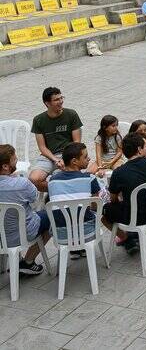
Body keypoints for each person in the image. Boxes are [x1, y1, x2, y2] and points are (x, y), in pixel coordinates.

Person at [102, 133, 146, 255]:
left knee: (106, 212)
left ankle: (126, 238)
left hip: (134, 217)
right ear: (139, 149)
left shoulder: (119, 172)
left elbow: (113, 199)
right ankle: (133, 236)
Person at [0, 144, 51, 275]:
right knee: (51, 217)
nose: (17, 160)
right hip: (21, 234)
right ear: (5, 166)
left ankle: (4, 263)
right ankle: (28, 262)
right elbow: (35, 200)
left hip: (2, 236)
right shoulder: (21, 183)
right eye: (14, 158)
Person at [47, 142, 104, 258]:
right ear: (74, 161)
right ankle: (81, 247)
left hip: (61, 235)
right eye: (85, 156)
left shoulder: (52, 180)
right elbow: (96, 206)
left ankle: (75, 249)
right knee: (95, 210)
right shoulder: (90, 178)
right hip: (87, 232)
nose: (89, 158)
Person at [29, 87, 85, 192]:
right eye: (56, 100)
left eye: (61, 98)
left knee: (86, 172)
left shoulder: (71, 114)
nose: (61, 102)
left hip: (70, 154)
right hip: (49, 156)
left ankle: (62, 192)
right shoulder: (38, 120)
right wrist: (56, 160)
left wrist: (66, 158)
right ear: (47, 103)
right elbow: (42, 147)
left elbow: (76, 143)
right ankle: (59, 191)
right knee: (34, 179)